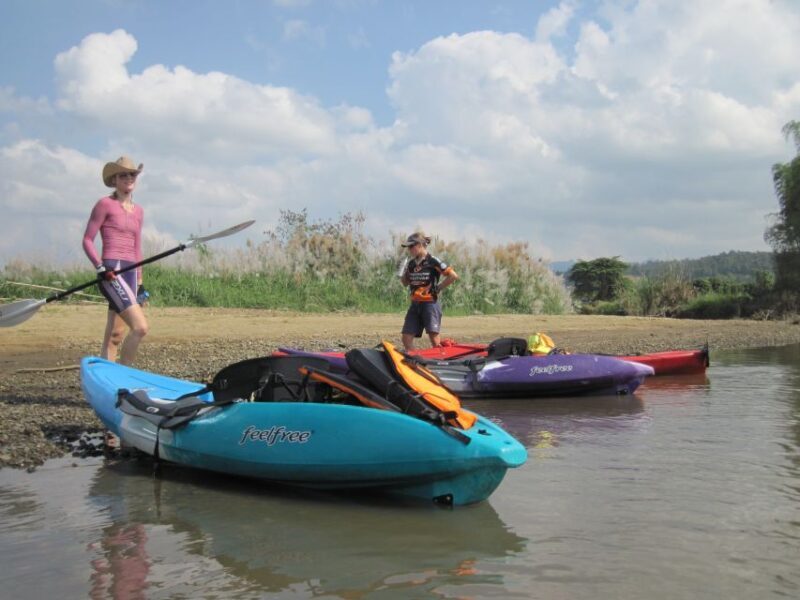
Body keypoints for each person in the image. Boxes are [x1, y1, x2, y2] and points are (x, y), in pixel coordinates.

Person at [82, 156, 149, 365]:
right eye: (123, 175)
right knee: (140, 328)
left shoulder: (139, 211)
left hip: (131, 271)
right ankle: (123, 377)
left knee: (116, 334)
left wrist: (139, 282)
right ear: (114, 180)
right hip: (112, 271)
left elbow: (137, 247)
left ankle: (106, 374)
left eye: (132, 174)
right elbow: (87, 240)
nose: (129, 178)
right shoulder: (105, 204)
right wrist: (100, 268)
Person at [399, 232, 458, 351]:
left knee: (434, 339)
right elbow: (406, 283)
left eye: (411, 246)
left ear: (420, 245)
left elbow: (453, 275)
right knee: (406, 338)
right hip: (415, 304)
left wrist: (439, 287)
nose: (409, 249)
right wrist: (400, 272)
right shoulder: (411, 264)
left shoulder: (433, 261)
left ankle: (441, 361)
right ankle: (416, 362)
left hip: (430, 304)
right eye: (408, 247)